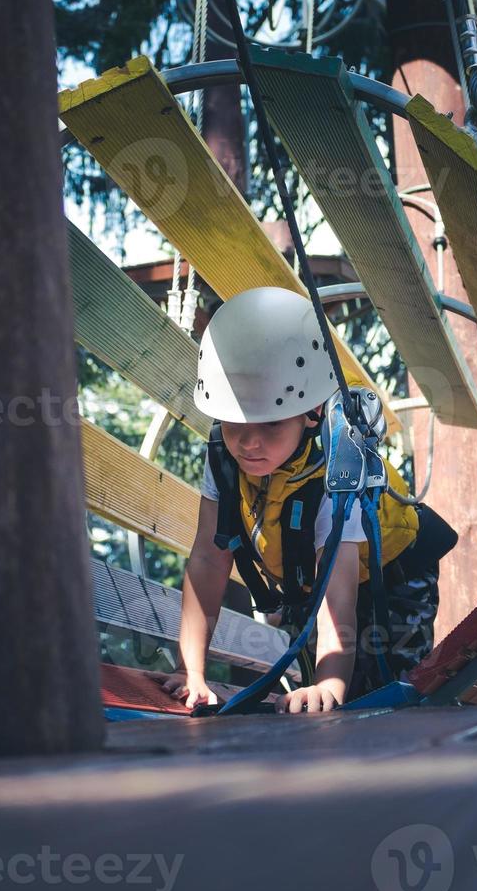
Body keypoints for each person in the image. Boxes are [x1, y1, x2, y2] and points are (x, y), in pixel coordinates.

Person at [164, 287, 457, 714]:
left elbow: (337, 594)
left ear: (312, 412)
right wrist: (191, 672)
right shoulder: (225, 456)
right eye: (233, 422)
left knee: (390, 692)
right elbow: (209, 560)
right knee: (310, 694)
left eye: (270, 424)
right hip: (307, 579)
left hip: (391, 575)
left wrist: (329, 688)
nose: (248, 442)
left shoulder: (340, 465)